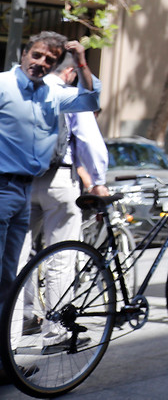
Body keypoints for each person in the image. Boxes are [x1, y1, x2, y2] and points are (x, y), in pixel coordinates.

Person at [0, 33, 99, 307]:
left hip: (26, 189)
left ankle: (7, 347)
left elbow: (91, 101)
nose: (41, 63)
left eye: (49, 60)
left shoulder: (52, 93)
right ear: (24, 54)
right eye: (36, 55)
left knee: (10, 276)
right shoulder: (3, 85)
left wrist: (81, 62)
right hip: (3, 187)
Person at [20, 52, 110, 340]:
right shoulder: (68, 95)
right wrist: (98, 181)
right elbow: (89, 141)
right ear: (70, 71)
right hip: (59, 181)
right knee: (61, 255)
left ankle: (22, 319)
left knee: (18, 257)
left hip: (20, 181)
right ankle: (55, 330)